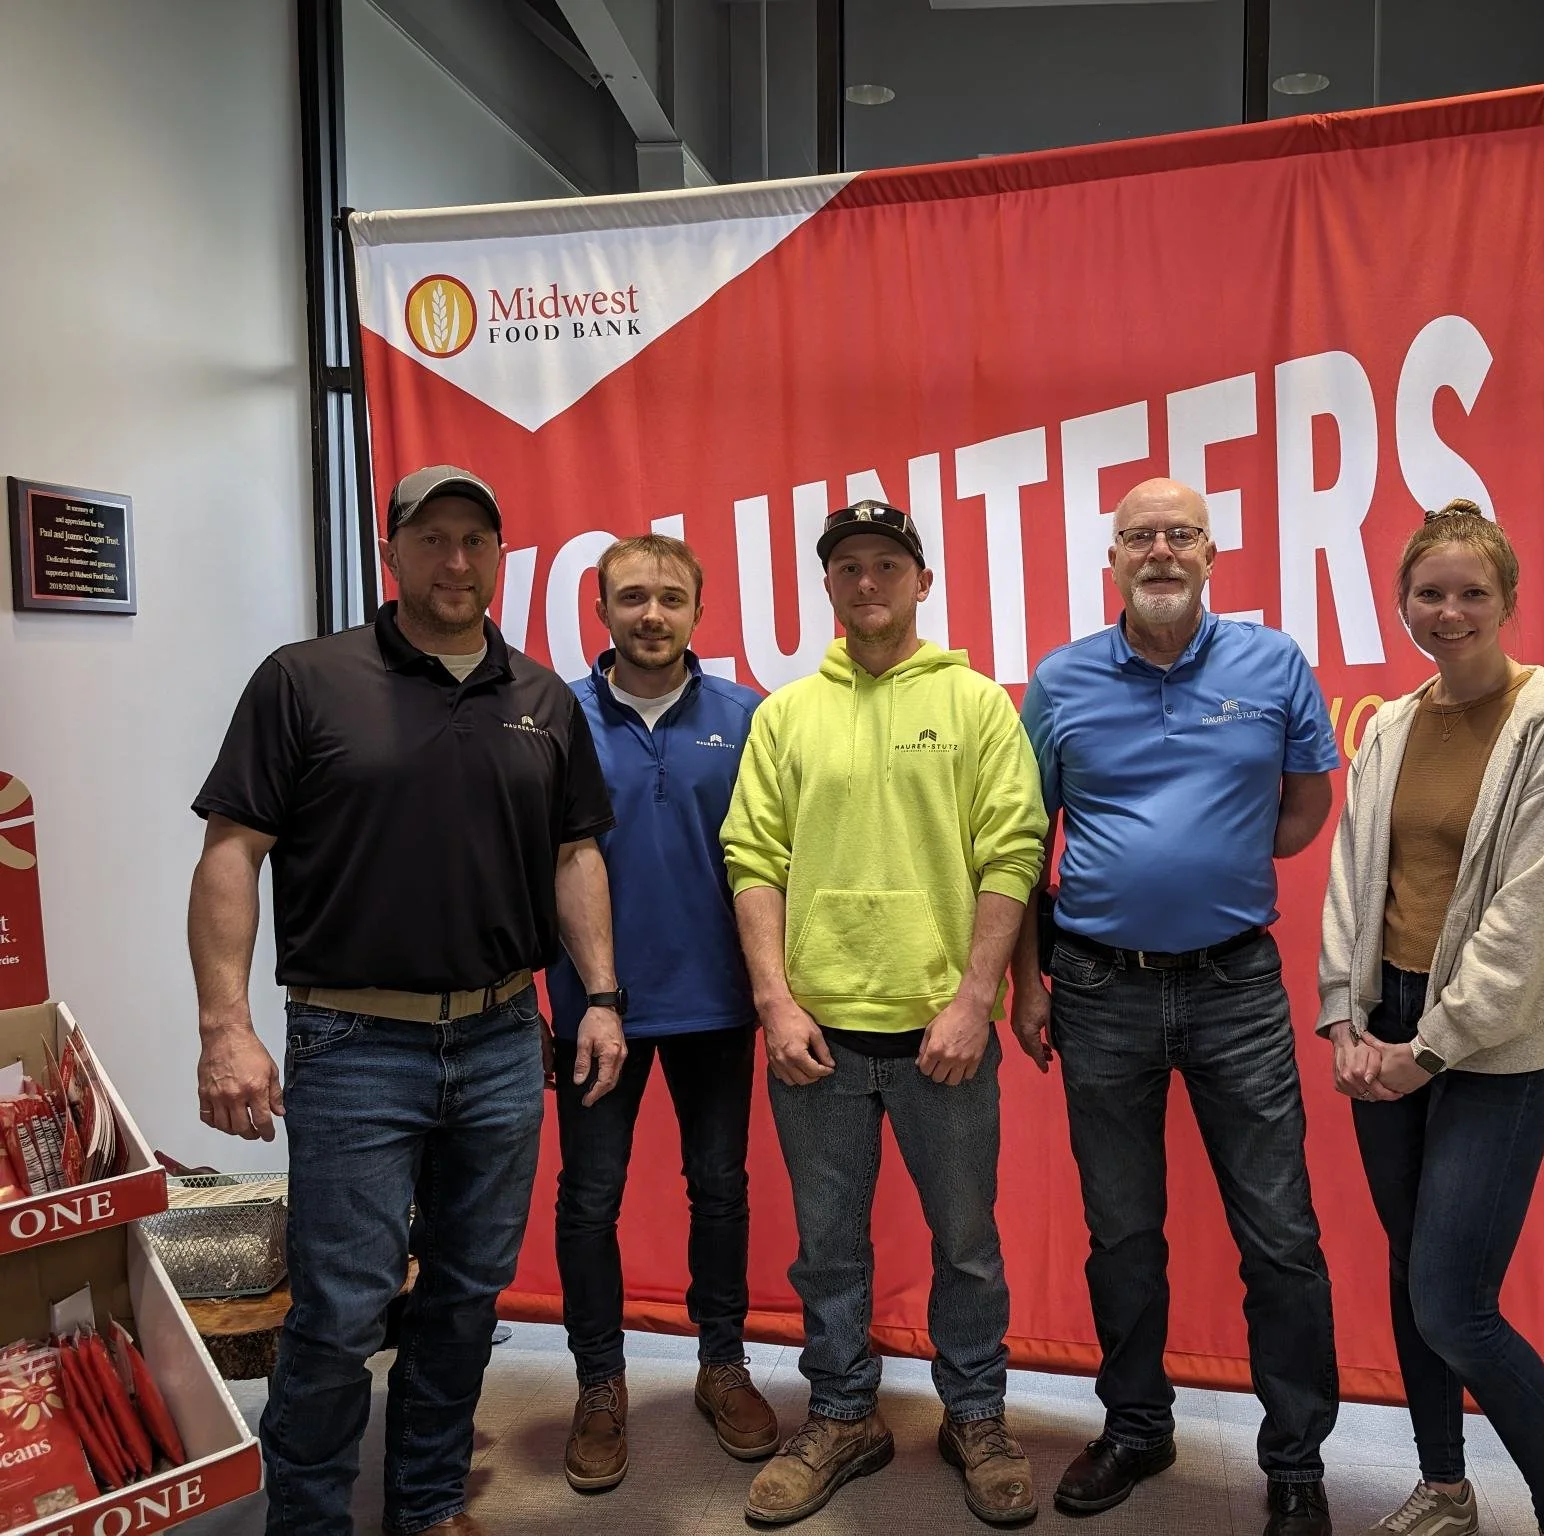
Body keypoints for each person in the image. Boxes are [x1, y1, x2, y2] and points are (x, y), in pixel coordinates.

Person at [187, 465, 627, 1536]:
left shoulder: (540, 699)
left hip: (499, 1038)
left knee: (466, 1297)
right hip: (352, 1041)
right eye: (433, 538)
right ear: (392, 551)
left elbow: (575, 856)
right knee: (339, 1310)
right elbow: (232, 854)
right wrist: (225, 1027)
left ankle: (426, 1504)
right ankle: (308, 1520)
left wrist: (602, 995)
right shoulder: (304, 679)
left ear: (502, 554)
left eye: (477, 539)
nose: (457, 561)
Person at [1011, 478, 1342, 1536]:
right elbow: (1022, 846)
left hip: (1237, 986)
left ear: (1211, 553)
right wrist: (1026, 981)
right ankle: (1137, 1426)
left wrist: (1213, 866)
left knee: (1281, 1237)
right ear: (1112, 559)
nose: (1160, 551)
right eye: (1139, 536)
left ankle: (1295, 1460)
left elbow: (1303, 807)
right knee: (1123, 1235)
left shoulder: (1274, 664)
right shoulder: (1061, 682)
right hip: (1100, 988)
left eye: (1180, 534)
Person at [721, 499, 1048, 1528]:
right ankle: (843, 1415)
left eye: (887, 565)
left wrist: (972, 999)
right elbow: (752, 858)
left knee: (965, 1243)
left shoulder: (977, 704)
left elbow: (1014, 851)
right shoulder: (786, 715)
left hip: (941, 1039)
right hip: (815, 1037)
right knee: (826, 1246)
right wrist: (774, 1003)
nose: (868, 583)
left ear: (922, 581)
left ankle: (976, 1413)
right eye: (848, 567)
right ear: (828, 585)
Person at [1316, 500, 1544, 1536]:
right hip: (1384, 1018)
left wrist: (1427, 1050)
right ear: (1402, 604)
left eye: (1472, 593)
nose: (1449, 612)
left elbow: (1533, 916)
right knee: (1408, 1271)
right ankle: (1444, 1487)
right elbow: (1354, 879)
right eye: (1429, 593)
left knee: (1453, 1301)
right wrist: (1348, 1023)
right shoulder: (1392, 726)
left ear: (1510, 601)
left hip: (1493, 1045)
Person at [545, 533, 775, 1493]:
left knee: (719, 1189)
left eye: (670, 599)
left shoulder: (751, 716)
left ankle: (722, 1364)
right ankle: (600, 1385)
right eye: (632, 597)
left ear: (699, 611)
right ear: (600, 611)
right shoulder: (552, 717)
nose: (652, 615)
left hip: (718, 1003)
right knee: (589, 1199)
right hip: (592, 1010)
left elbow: (776, 863)